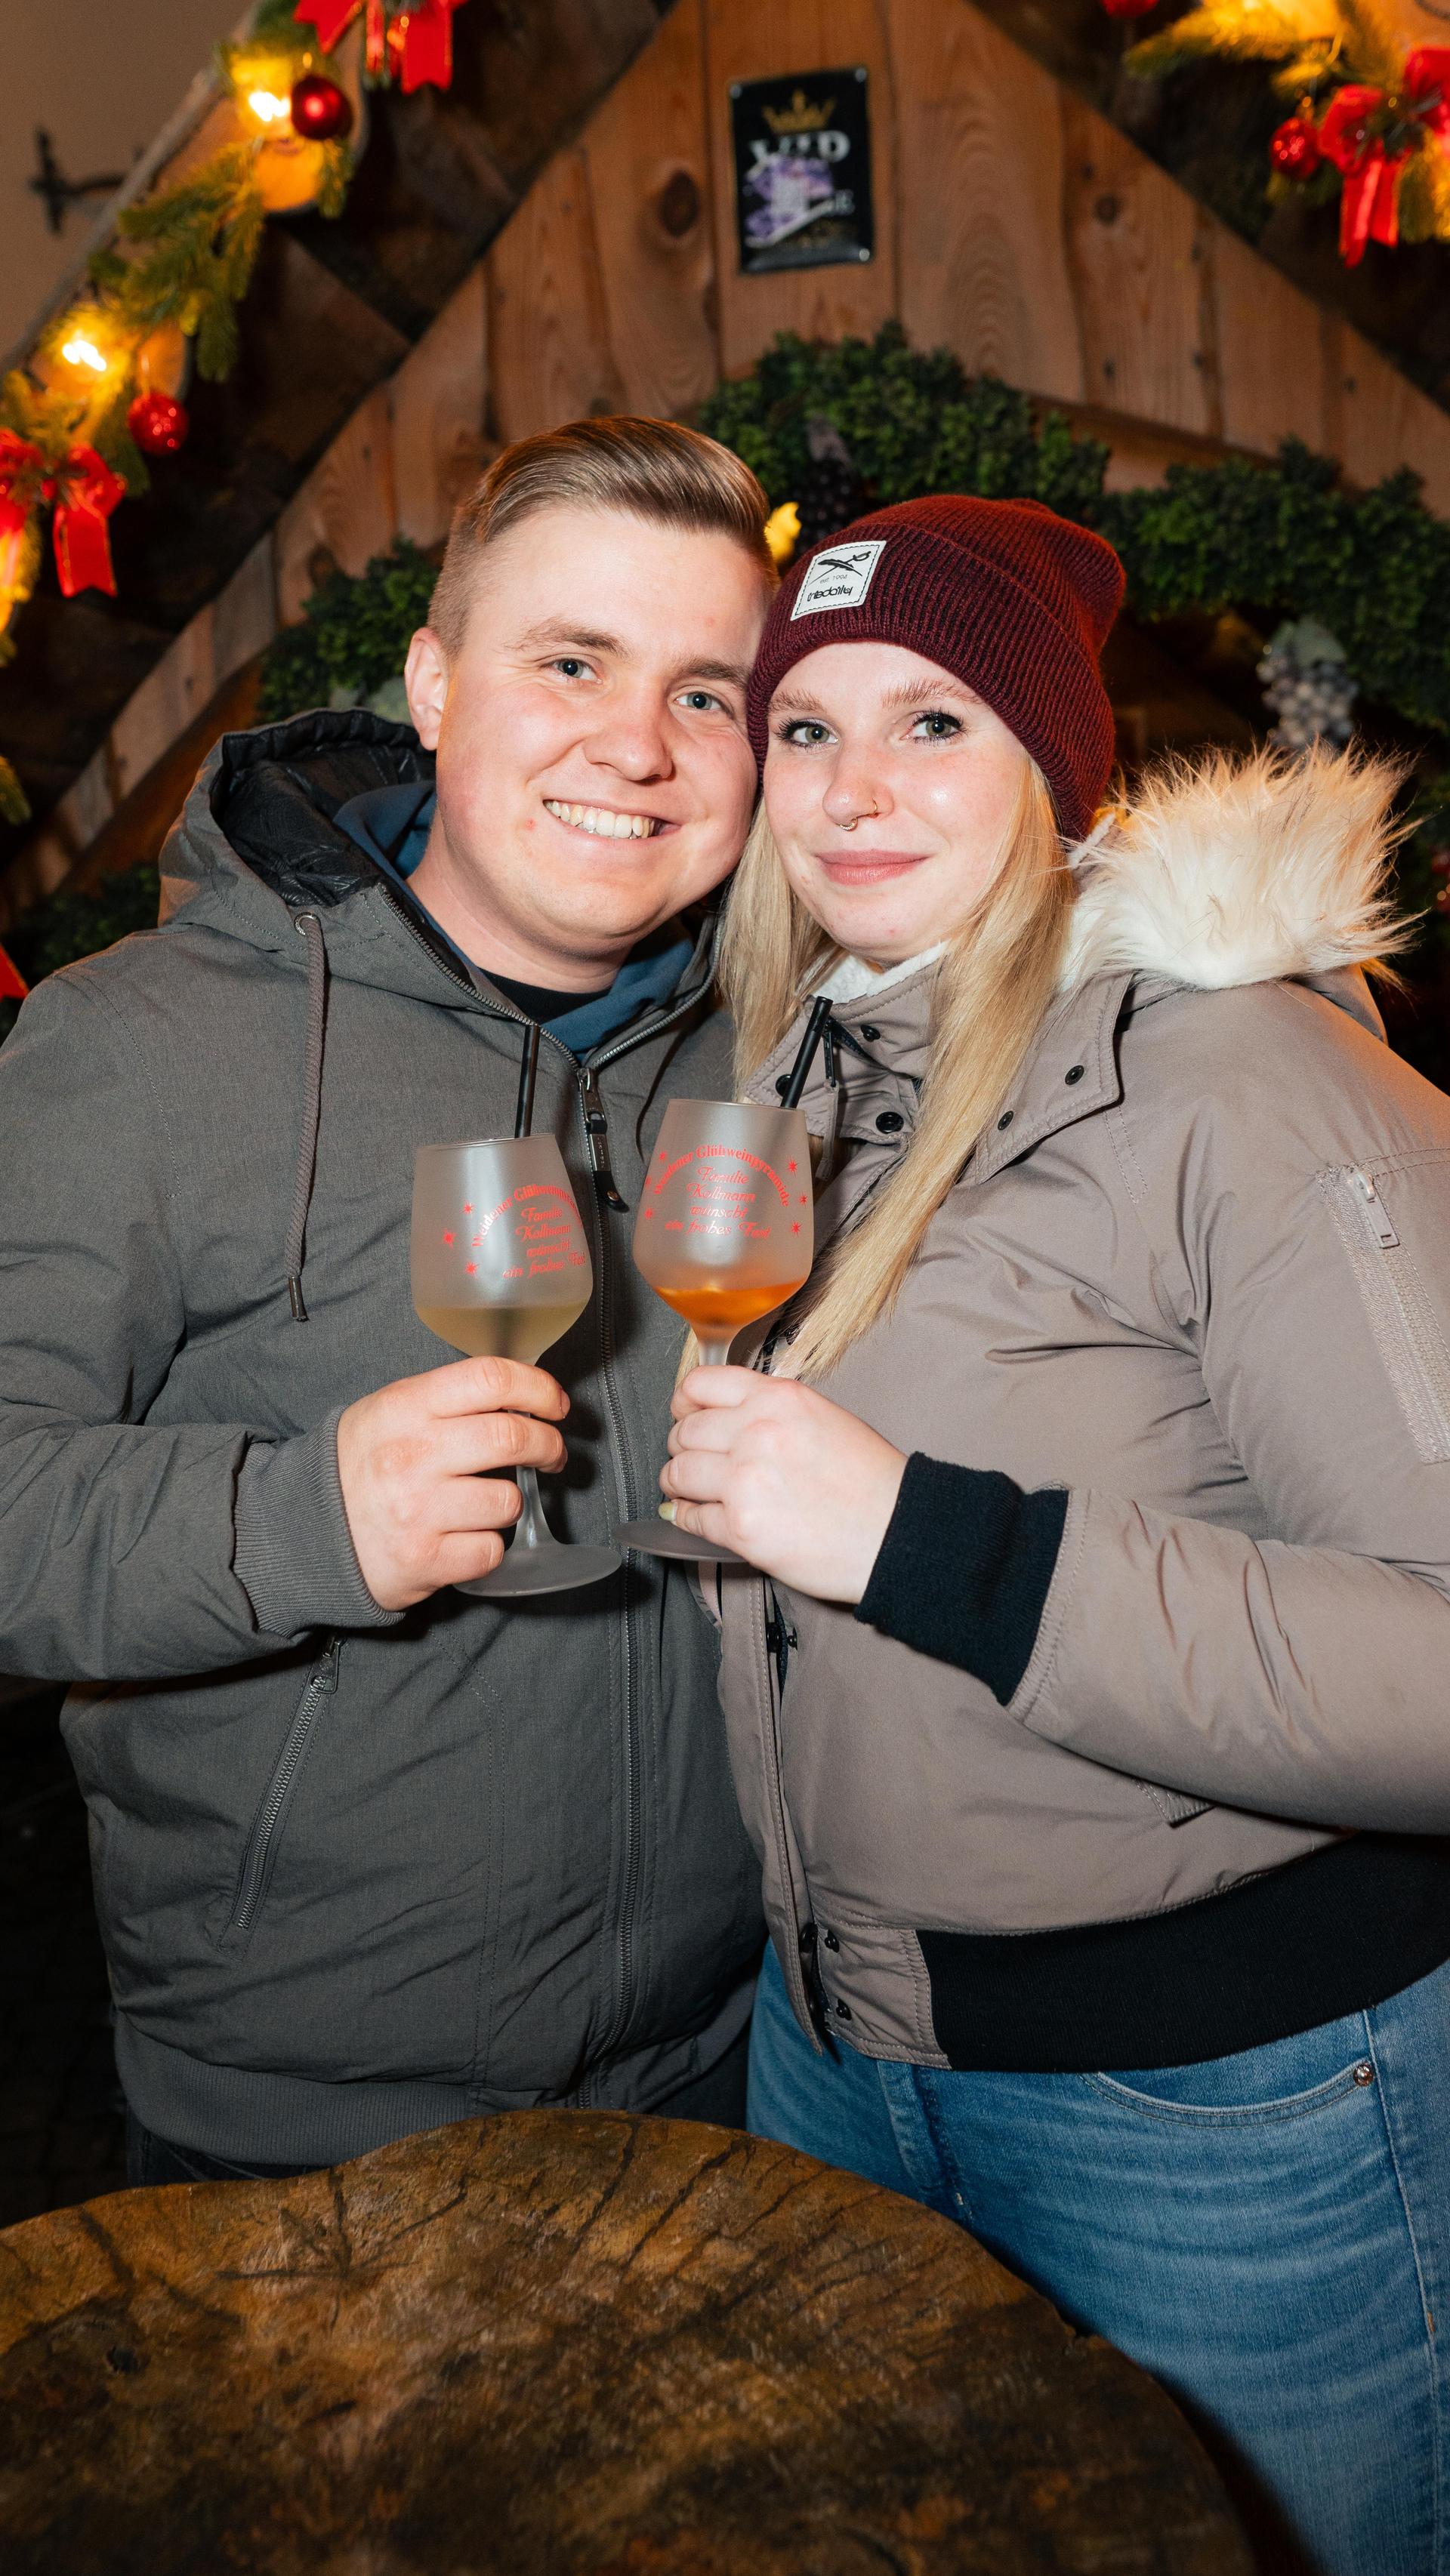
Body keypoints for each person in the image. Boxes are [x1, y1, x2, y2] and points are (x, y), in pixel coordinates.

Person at [662, 493, 1450, 2571]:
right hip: (836, 2061)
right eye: (807, 727)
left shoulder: (1244, 1080)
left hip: (1214, 2108)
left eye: (933, 717)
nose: (852, 787)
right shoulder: (804, 1077)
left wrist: (929, 1538)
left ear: (1054, 758)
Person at [0, 415, 774, 2184]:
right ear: (434, 683)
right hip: (313, 2126)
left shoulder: (774, 1038)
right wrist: (301, 1514)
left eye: (708, 693)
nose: (635, 748)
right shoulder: (135, 1045)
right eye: (570, 660)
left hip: (740, 2060)